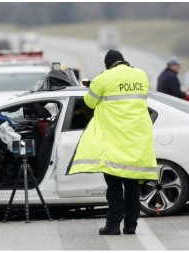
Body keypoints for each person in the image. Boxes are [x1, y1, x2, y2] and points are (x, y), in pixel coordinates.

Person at [67, 49, 158, 235]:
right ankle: (131, 226)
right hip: (136, 140)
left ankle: (113, 225)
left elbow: (89, 102)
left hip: (114, 142)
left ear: (108, 64)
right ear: (123, 60)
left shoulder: (104, 78)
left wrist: (95, 85)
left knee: (114, 188)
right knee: (132, 187)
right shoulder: (141, 75)